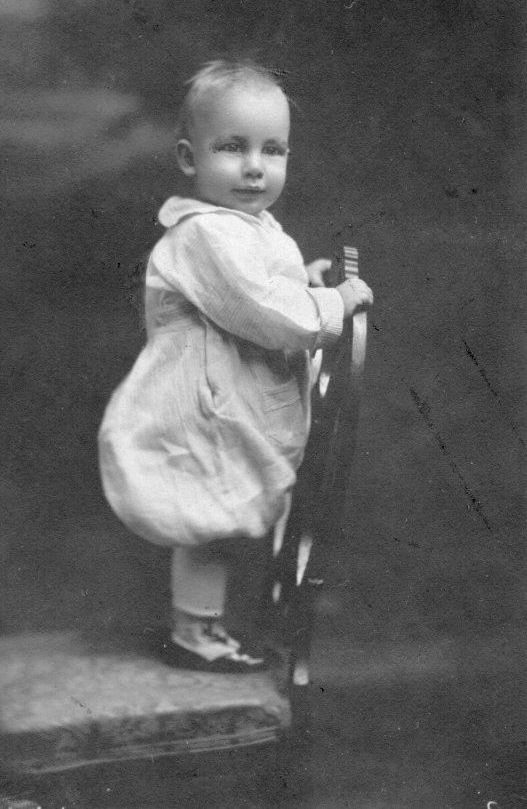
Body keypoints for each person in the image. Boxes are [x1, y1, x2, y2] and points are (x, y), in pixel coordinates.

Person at [98, 60, 373, 672]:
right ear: (189, 159)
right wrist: (331, 304)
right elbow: (259, 309)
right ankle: (195, 632)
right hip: (204, 406)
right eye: (232, 148)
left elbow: (261, 286)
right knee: (210, 519)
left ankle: (212, 624)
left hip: (233, 399)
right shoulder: (203, 235)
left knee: (226, 516)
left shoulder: (246, 227)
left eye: (272, 150)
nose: (254, 166)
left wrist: (304, 282)